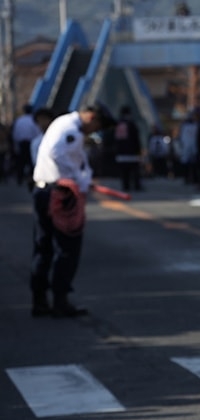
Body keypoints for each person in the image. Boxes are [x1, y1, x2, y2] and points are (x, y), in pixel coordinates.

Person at [30, 103, 116, 317]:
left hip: (43, 189)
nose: (93, 131)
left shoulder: (63, 123)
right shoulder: (70, 130)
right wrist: (76, 181)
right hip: (60, 193)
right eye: (96, 126)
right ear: (91, 117)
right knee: (67, 248)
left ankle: (39, 300)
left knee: (43, 247)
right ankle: (60, 300)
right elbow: (58, 154)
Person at [113, 105, 144, 192]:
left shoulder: (118, 124)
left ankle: (125, 186)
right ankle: (136, 186)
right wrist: (139, 150)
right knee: (135, 171)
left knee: (124, 172)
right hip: (132, 152)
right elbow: (136, 138)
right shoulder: (131, 124)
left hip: (121, 153)